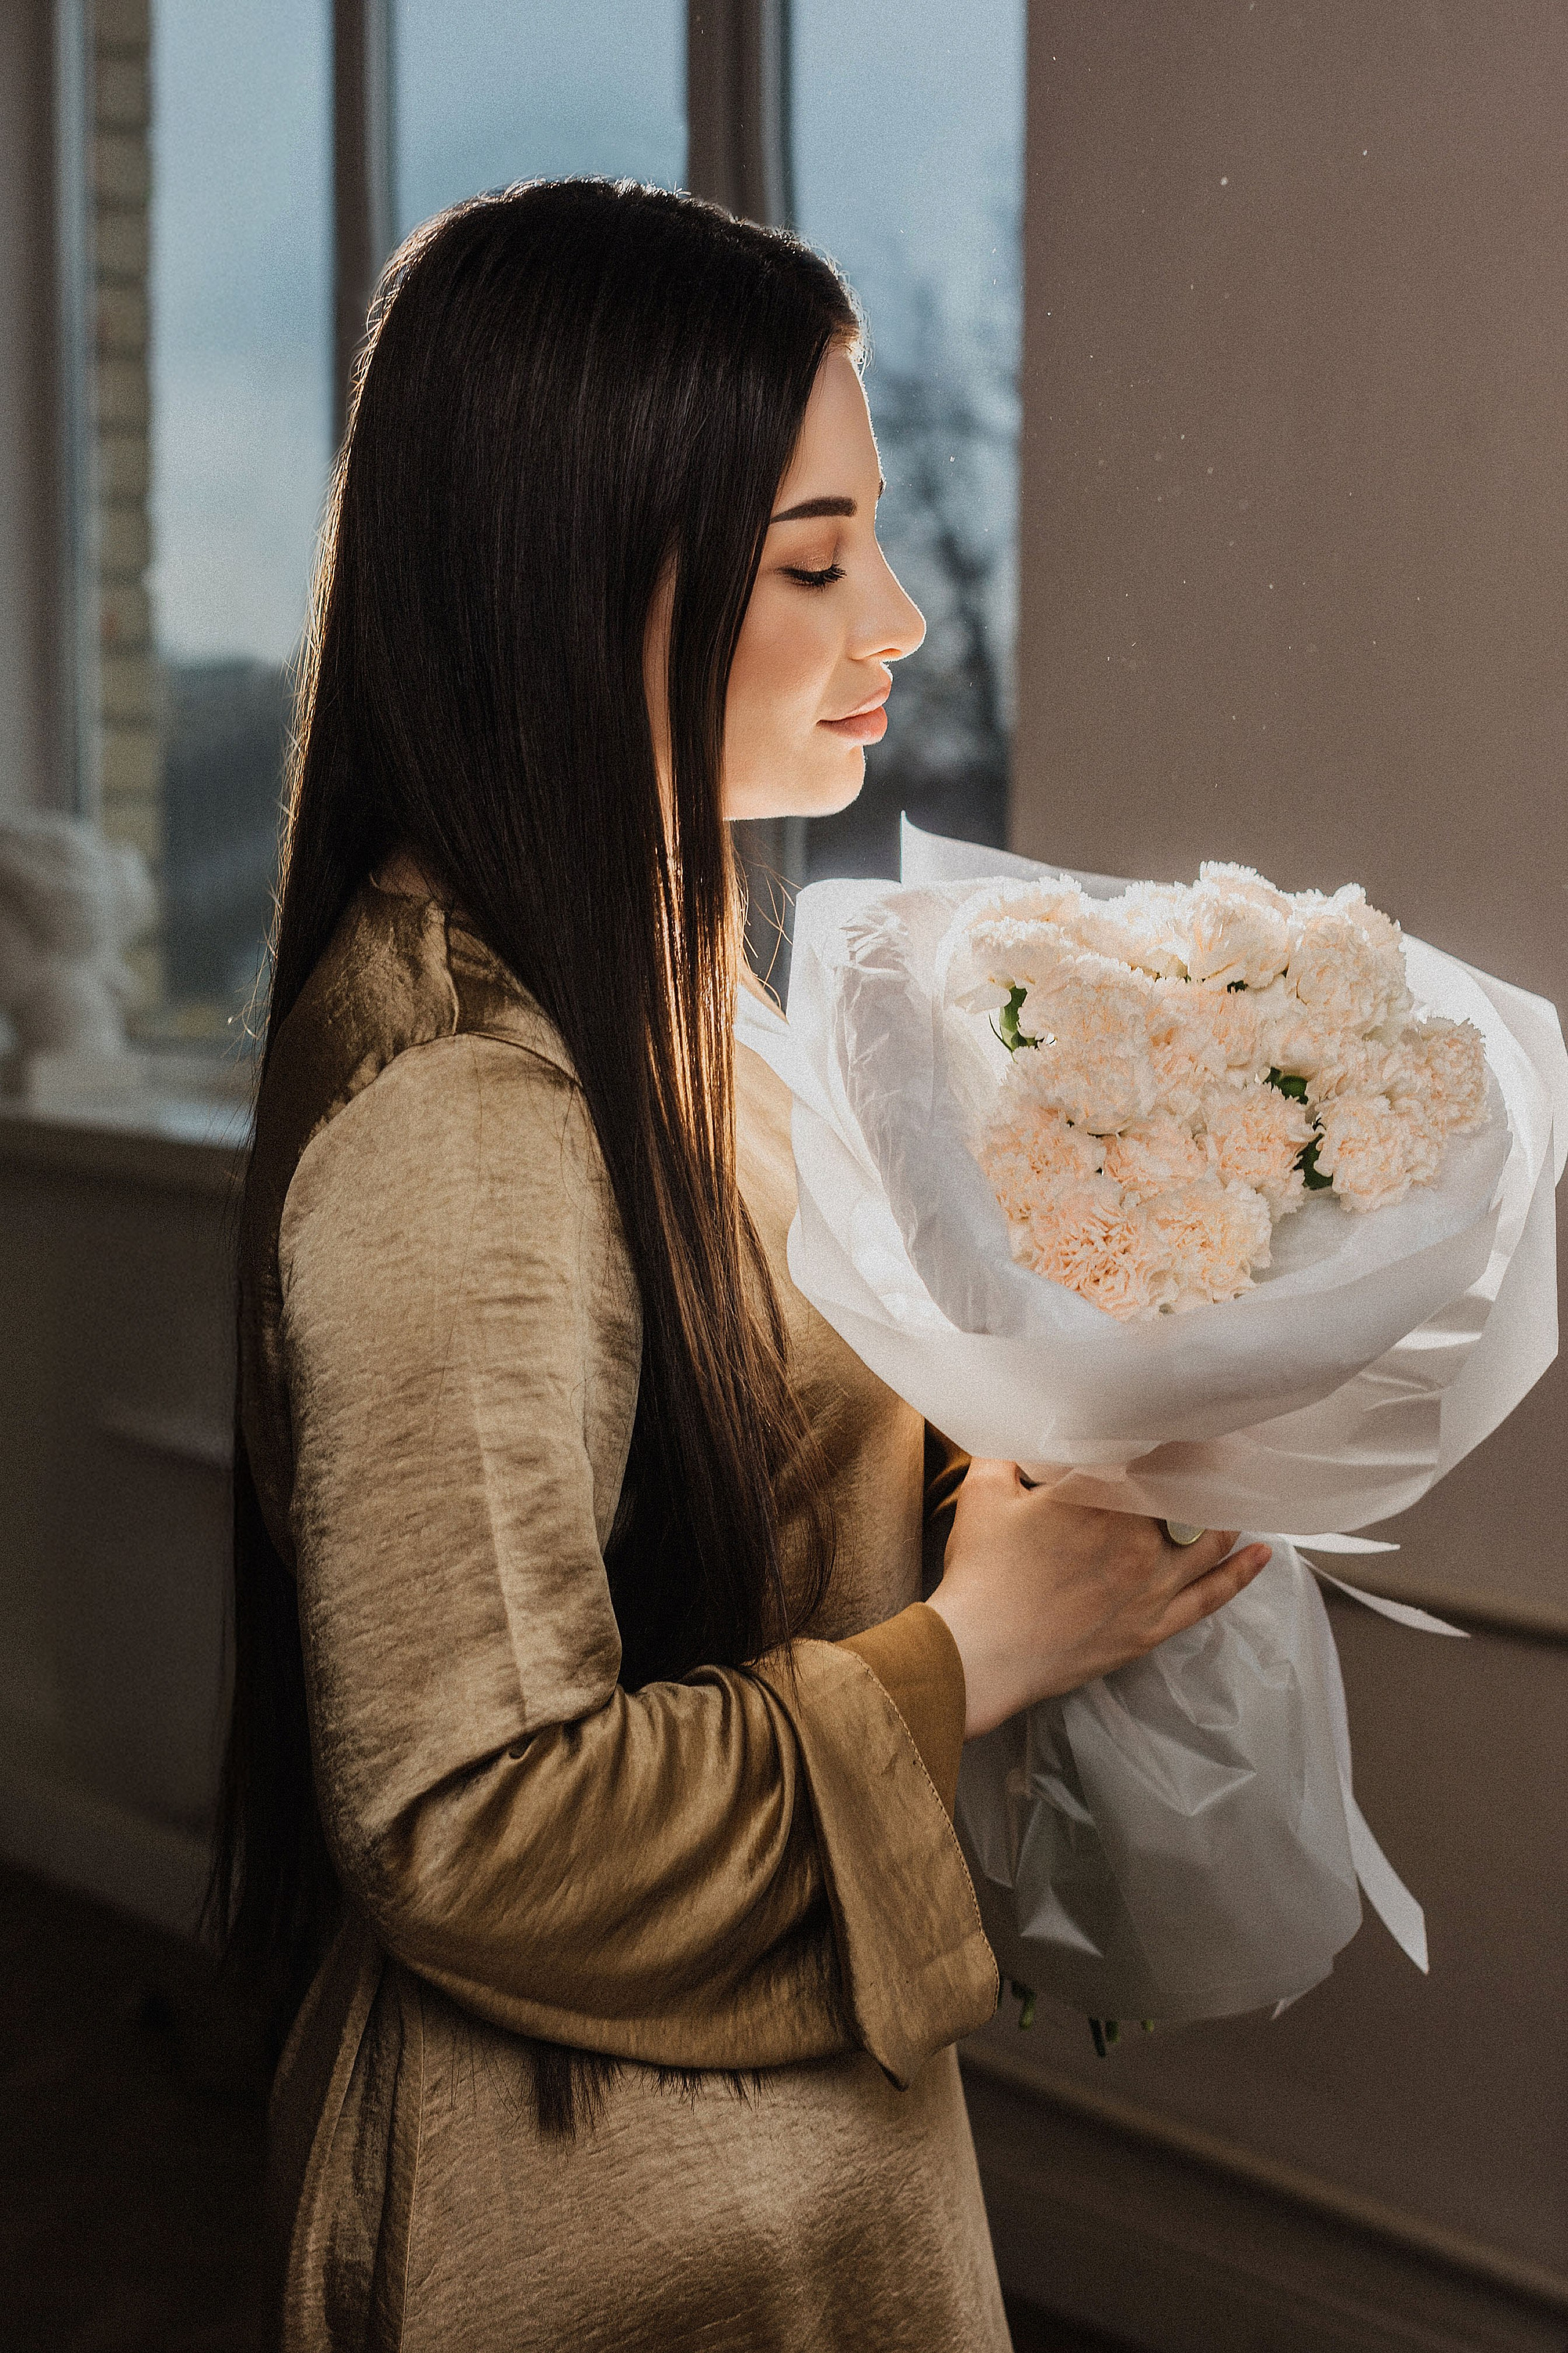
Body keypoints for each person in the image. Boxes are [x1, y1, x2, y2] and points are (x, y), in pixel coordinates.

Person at [211, 178, 1270, 2352]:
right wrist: (976, 1646)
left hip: (776, 2152)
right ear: (582, 575)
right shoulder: (462, 1102)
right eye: (815, 558)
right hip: (592, 2216)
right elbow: (468, 1821)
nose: (895, 616)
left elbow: (748, 1488)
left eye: (871, 536)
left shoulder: (683, 988)